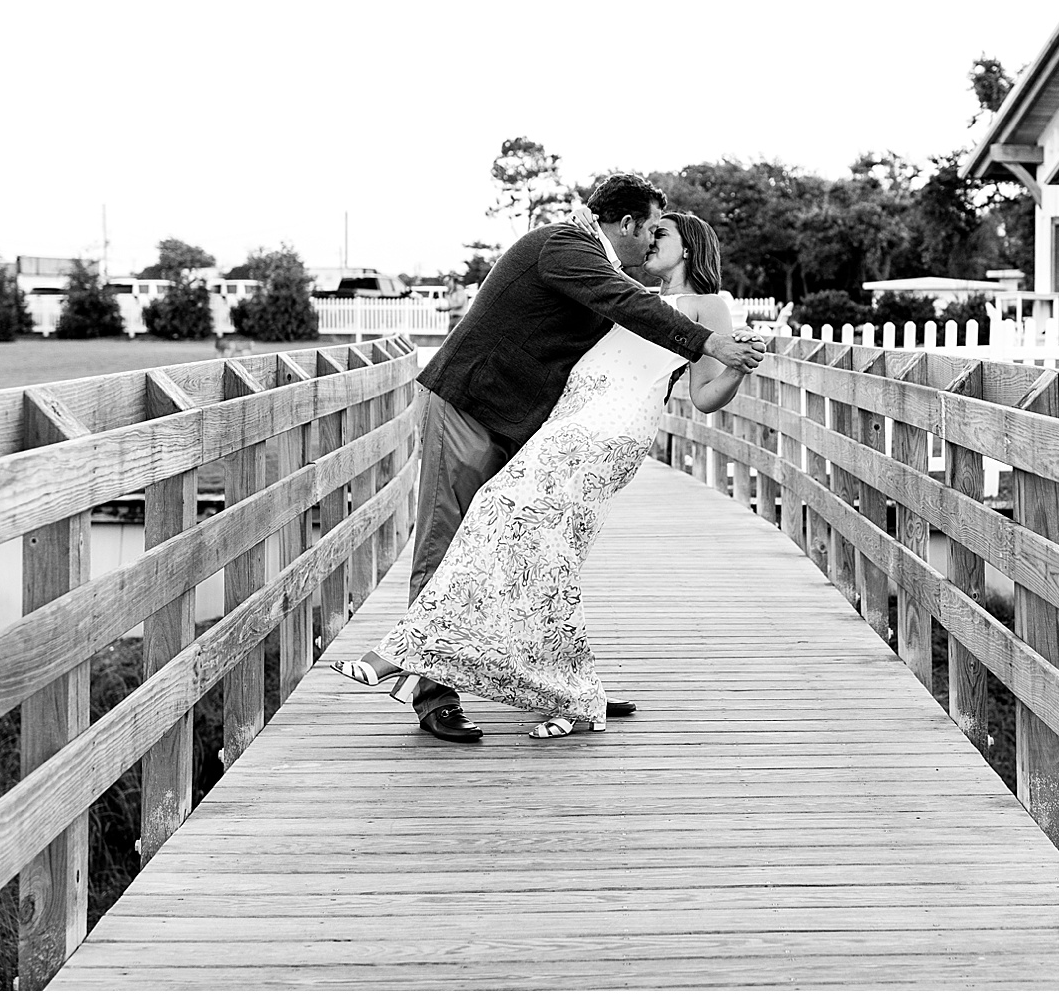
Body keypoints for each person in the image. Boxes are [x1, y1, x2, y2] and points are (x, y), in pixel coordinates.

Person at [327, 175, 765, 741]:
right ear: (628, 224)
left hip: (543, 429)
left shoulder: (630, 279)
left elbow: (651, 349)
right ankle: (434, 695)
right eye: (652, 227)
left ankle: (561, 684)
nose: (654, 239)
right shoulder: (565, 246)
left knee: (535, 551)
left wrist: (720, 351)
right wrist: (712, 345)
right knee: (452, 535)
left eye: (666, 232)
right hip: (472, 402)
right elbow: (624, 307)